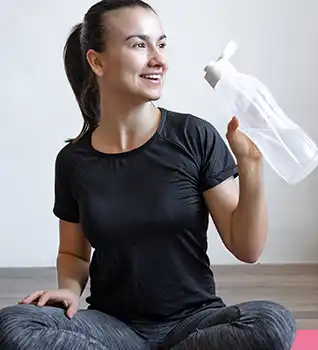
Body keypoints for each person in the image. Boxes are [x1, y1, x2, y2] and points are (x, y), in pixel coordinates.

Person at [0, 0, 296, 349]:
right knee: (14, 325)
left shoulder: (193, 136)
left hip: (194, 322)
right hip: (113, 326)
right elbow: (74, 254)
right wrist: (68, 290)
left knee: (271, 322)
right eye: (140, 45)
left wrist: (250, 165)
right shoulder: (73, 161)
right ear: (97, 61)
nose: (159, 59)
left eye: (161, 44)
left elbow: (247, 248)